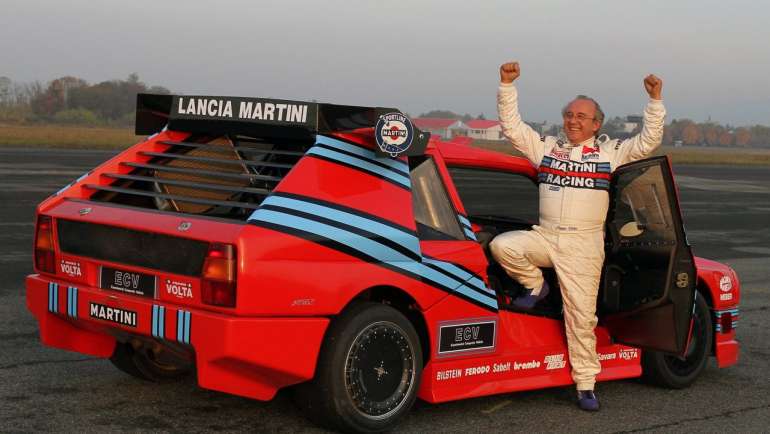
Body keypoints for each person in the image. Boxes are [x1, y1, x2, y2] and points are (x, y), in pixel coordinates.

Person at [490, 61, 665, 411]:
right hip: (545, 236)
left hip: (584, 245)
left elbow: (648, 140)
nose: (573, 121)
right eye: (569, 115)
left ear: (596, 124)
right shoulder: (546, 148)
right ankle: (535, 285)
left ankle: (586, 385)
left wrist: (655, 100)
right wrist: (507, 85)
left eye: (581, 116)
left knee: (581, 319)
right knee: (502, 245)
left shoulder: (610, 153)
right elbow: (512, 127)